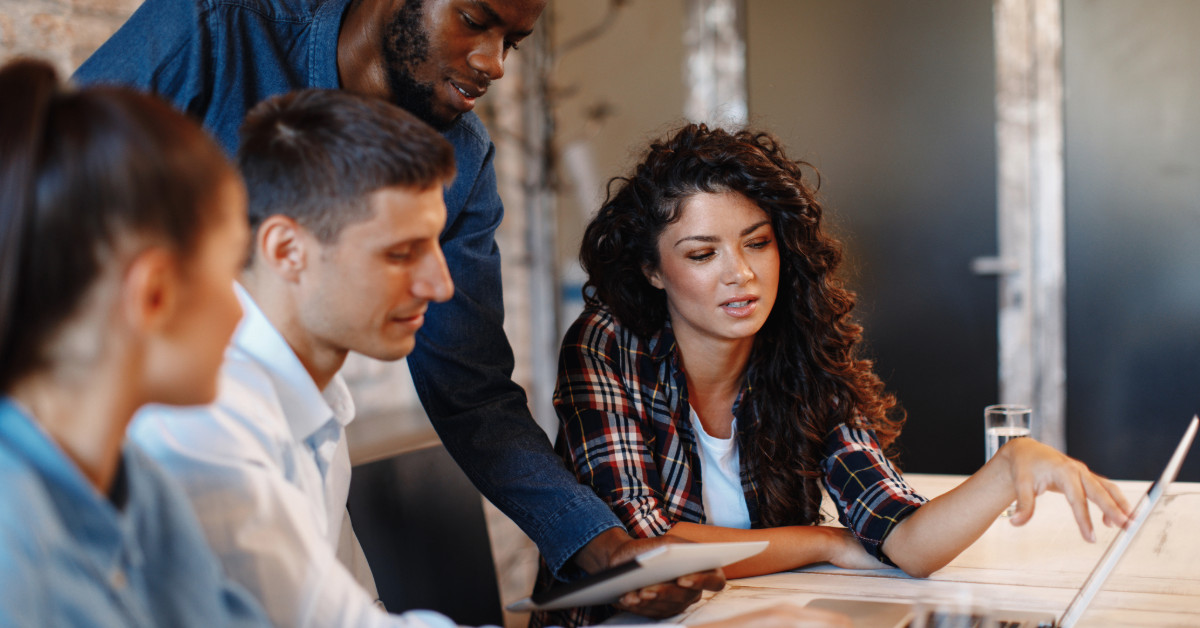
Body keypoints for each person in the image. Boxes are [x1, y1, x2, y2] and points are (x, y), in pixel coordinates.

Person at [126, 88, 849, 628]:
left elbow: (347, 610)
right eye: (402, 253)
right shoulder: (207, 425)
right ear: (286, 250)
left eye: (439, 248)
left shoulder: (308, 406)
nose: (442, 286)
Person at [72, 0, 705, 614]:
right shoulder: (216, 27)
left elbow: (471, 386)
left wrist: (600, 544)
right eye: (475, 20)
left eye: (513, 42)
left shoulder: (461, 156)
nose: (494, 64)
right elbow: (37, 205)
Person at [537, 123, 1134, 626]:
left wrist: (1008, 468)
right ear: (653, 270)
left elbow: (904, 540)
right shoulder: (608, 344)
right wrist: (826, 542)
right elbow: (645, 551)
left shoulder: (798, 352)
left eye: (758, 243)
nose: (740, 273)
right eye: (701, 254)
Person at [0, 58, 268, 627]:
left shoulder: (138, 489)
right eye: (229, 272)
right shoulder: (12, 557)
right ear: (154, 294)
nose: (239, 311)